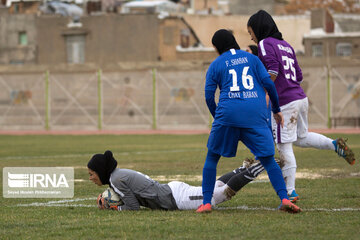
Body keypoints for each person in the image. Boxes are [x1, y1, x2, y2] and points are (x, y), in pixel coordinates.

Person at [247, 10, 356, 202]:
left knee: (283, 145)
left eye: (251, 32)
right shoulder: (286, 45)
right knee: (300, 137)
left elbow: (272, 69)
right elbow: (298, 75)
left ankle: (290, 192)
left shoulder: (265, 43)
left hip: (286, 101)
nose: (251, 37)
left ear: (258, 28)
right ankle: (334, 145)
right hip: (300, 97)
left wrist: (265, 93)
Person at [197, 29, 301, 214]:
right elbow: (269, 84)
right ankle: (285, 199)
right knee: (269, 160)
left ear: (217, 46)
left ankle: (206, 203)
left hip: (228, 113)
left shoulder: (216, 64)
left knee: (212, 157)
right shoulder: (253, 59)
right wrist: (276, 109)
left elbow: (208, 96)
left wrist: (218, 116)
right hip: (255, 113)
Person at [88, 150, 276, 211]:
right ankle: (244, 168)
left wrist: (113, 206)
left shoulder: (116, 180)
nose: (91, 178)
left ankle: (265, 164)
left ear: (101, 171)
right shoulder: (117, 175)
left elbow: (133, 207)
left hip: (175, 198)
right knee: (216, 187)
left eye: (91, 174)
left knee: (219, 195)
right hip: (172, 191)